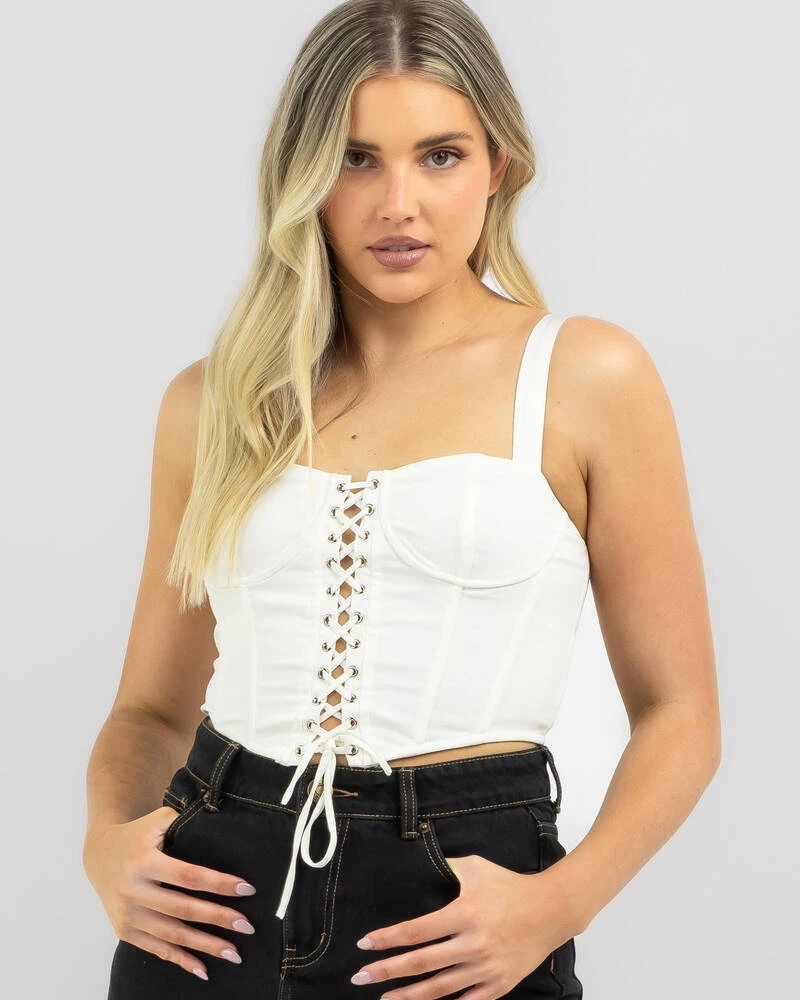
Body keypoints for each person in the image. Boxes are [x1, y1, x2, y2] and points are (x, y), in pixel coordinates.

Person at [83, 1, 721, 997]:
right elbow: (149, 709)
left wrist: (560, 903)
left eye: (439, 156)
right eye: (354, 159)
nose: (397, 204)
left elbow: (680, 712)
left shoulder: (587, 377)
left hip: (461, 917)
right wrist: (106, 844)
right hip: (210, 911)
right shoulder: (216, 403)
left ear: (498, 164)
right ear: (302, 172)